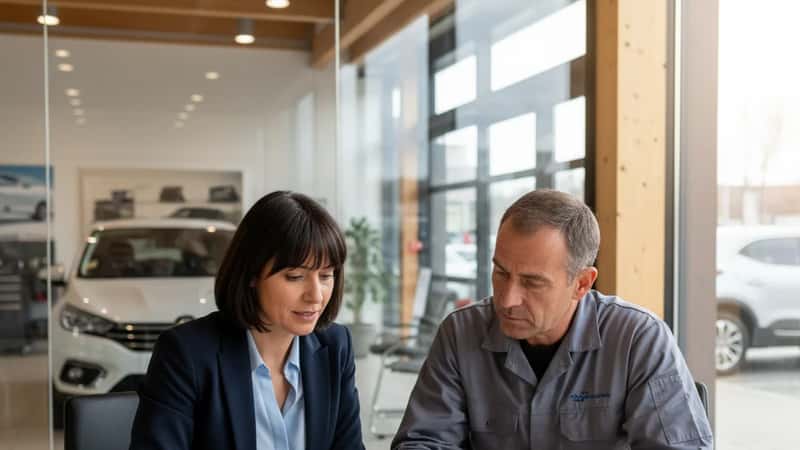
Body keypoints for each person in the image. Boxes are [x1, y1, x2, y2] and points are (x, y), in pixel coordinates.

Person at [392, 189, 712, 449]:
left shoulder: (638, 340)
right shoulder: (460, 333)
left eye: (532, 282)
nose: (507, 299)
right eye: (501, 273)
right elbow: (423, 442)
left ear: (582, 283)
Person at [130, 191, 364, 450]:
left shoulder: (335, 347)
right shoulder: (187, 354)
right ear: (252, 273)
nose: (316, 296)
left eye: (326, 275)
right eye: (295, 276)